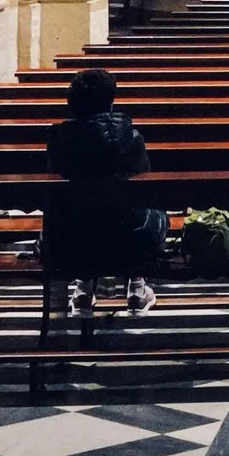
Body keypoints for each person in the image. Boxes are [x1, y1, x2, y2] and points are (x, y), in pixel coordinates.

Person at [41, 65, 171, 331]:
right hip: (128, 239)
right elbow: (142, 185)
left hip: (72, 242)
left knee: (80, 213)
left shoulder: (59, 140)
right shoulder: (130, 137)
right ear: (111, 103)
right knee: (149, 208)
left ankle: (84, 287)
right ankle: (136, 286)